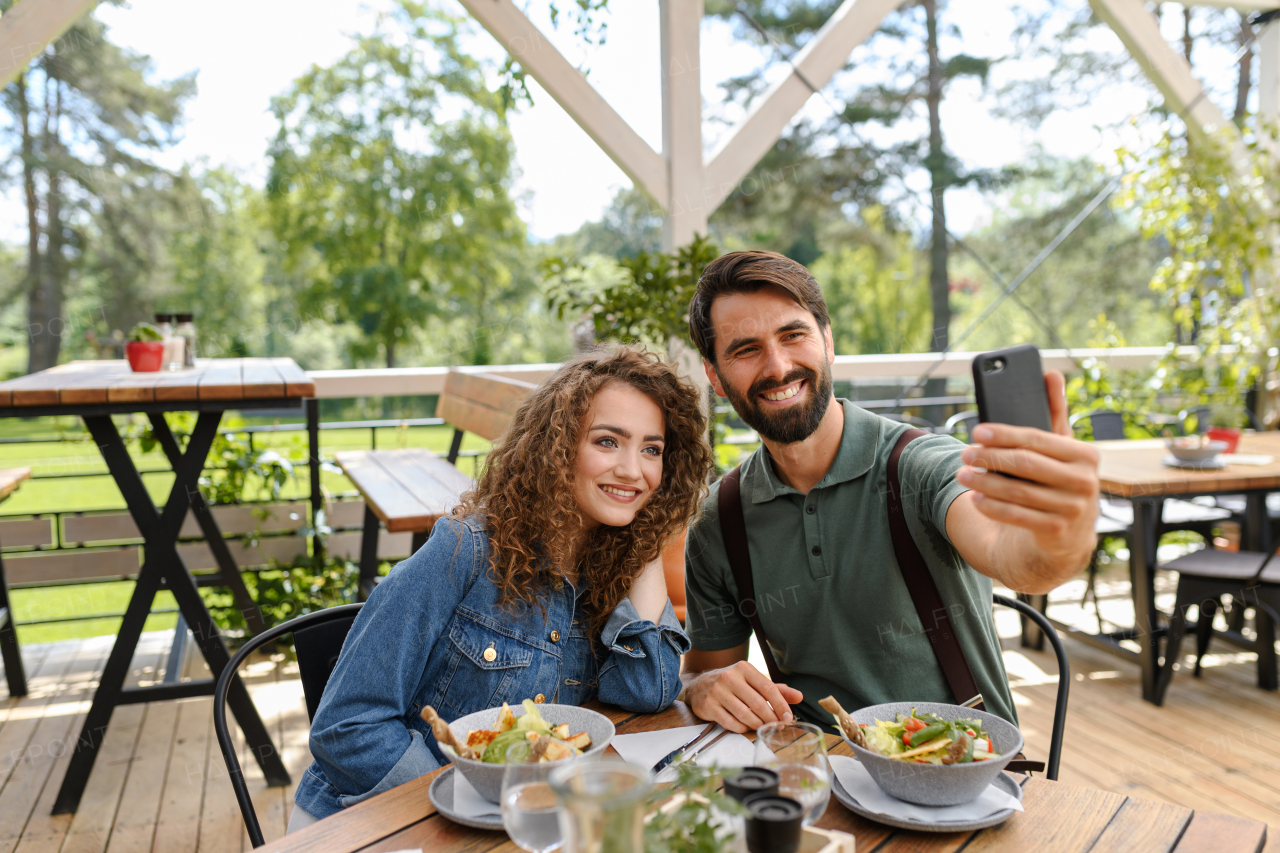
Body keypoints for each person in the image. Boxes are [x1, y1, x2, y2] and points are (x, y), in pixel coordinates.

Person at [289, 346, 713, 829]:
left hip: (508, 822)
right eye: (608, 442)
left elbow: (647, 692)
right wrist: (465, 801)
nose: (634, 470)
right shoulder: (463, 551)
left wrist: (649, 538)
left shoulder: (615, 563)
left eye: (652, 450)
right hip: (376, 822)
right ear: (556, 449)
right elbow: (347, 726)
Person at [680, 250, 1100, 732]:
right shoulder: (719, 519)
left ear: (828, 341)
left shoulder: (920, 465)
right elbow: (708, 666)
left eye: (793, 335)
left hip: (962, 772)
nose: (778, 367)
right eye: (745, 349)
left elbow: (1015, 559)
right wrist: (701, 685)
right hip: (820, 771)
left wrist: (1061, 532)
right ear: (715, 376)